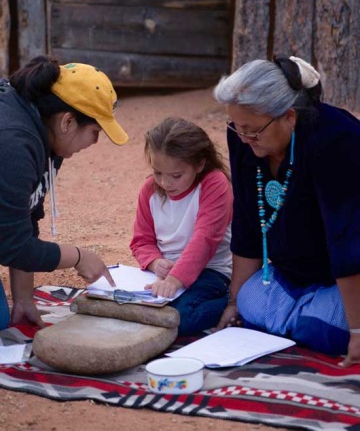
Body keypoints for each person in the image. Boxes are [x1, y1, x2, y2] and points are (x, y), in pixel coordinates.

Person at [213, 54, 360, 367]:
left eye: (252, 130)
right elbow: (246, 222)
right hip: (290, 278)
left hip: (347, 277)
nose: (242, 137)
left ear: (289, 117)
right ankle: (303, 319)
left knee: (338, 326)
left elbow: (346, 237)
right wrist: (235, 302)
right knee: (250, 304)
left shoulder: (336, 139)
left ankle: (310, 319)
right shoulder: (243, 137)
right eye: (236, 126)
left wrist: (357, 330)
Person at [0, 55, 129, 330]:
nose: (95, 141)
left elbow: (26, 218)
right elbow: (13, 245)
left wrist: (23, 299)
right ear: (68, 122)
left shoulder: (49, 134)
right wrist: (79, 256)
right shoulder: (14, 145)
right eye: (95, 131)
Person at [130, 117, 233, 335]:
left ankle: (236, 301)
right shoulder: (150, 189)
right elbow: (142, 240)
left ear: (200, 164)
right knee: (135, 308)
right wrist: (154, 262)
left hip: (212, 270)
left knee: (179, 318)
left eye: (176, 175)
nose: (165, 183)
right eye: (158, 172)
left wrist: (176, 279)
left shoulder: (214, 183)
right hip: (167, 276)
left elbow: (205, 240)